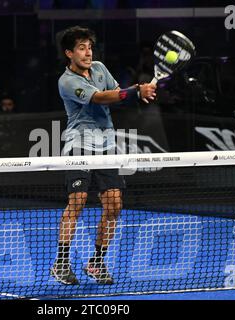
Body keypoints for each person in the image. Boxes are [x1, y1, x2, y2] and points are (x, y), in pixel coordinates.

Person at [50, 26, 156, 285]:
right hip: (79, 144)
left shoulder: (99, 68)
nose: (87, 53)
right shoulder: (66, 81)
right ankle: (61, 263)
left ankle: (96, 262)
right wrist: (134, 92)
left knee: (114, 206)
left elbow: (116, 95)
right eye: (81, 48)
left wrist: (137, 91)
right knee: (78, 200)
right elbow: (98, 98)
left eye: (89, 47)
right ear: (69, 53)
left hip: (106, 144)